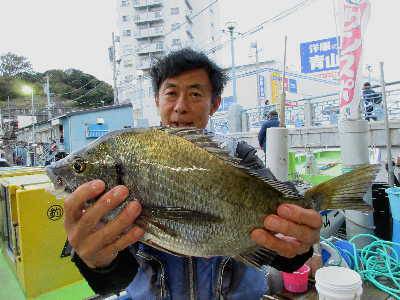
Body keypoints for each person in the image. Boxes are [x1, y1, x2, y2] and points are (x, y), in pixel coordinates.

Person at [65, 48, 322, 299]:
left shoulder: (241, 158)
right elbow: (113, 282)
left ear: (215, 104)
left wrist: (298, 245)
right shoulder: (131, 162)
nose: (180, 106)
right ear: (157, 101)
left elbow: (281, 253)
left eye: (195, 94)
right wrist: (95, 261)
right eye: (171, 93)